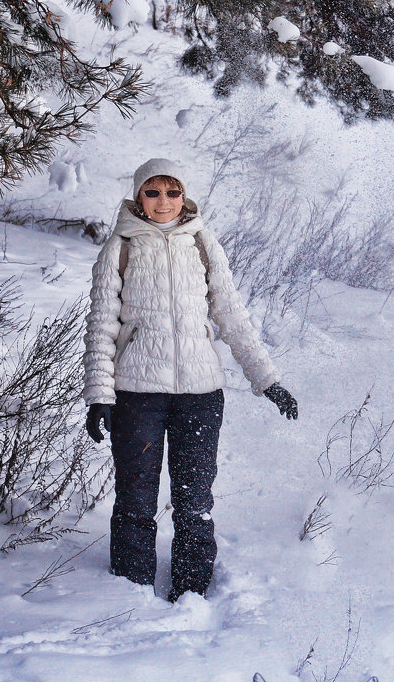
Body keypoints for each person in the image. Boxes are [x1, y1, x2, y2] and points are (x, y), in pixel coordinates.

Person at [82, 157, 298, 602]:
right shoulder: (120, 246)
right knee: (136, 500)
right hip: (137, 393)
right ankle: (130, 593)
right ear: (138, 197)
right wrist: (99, 395)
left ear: (185, 195)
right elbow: (102, 324)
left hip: (200, 395)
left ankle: (193, 593)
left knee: (194, 500)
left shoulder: (202, 243)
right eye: (153, 192)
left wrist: (267, 379)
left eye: (172, 192)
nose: (164, 201)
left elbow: (231, 316)